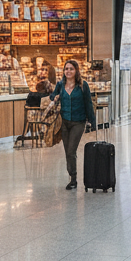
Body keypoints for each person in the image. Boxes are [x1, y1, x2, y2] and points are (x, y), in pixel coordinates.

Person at [49, 60, 95, 189]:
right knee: (67, 151)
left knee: (71, 150)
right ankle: (72, 176)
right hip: (63, 122)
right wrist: (54, 97)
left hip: (78, 122)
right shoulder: (60, 85)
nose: (68, 71)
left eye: (71, 69)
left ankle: (73, 179)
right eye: (66, 69)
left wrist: (92, 121)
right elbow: (52, 96)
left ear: (76, 71)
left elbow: (88, 104)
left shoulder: (82, 85)